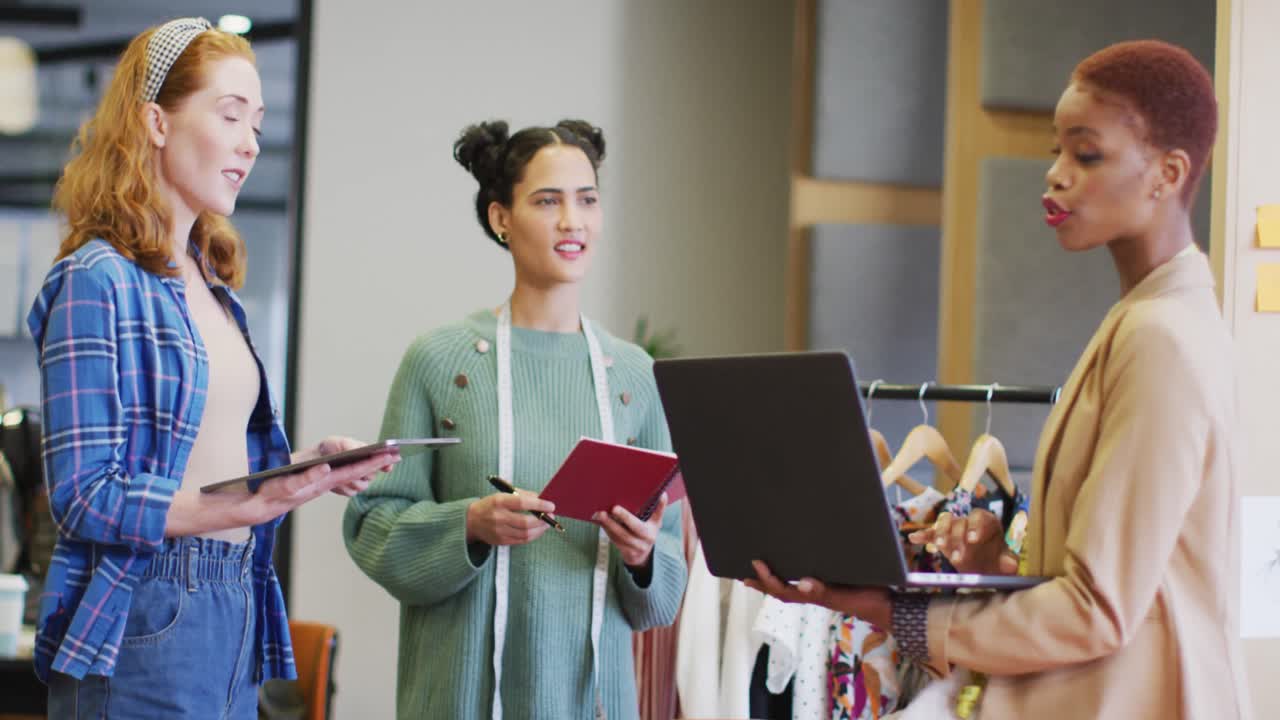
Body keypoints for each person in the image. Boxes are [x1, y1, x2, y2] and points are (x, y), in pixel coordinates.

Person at [749, 40, 1251, 719]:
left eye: (1087, 153)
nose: (1055, 176)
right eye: (1055, 151)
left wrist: (892, 612)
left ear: (1168, 173)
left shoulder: (1160, 336)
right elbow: (1117, 583)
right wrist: (1002, 561)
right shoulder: (1145, 318)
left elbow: (1097, 610)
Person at [27, 18, 398, 717]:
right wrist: (230, 506)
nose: (250, 142)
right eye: (230, 116)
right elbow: (81, 495)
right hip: (142, 610)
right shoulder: (95, 279)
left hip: (236, 598)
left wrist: (304, 467)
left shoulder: (216, 286)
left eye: (257, 123)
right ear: (156, 122)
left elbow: (211, 455)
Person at [344, 119, 687, 719]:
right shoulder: (440, 360)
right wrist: (470, 524)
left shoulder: (633, 376)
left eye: (587, 200)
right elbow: (374, 527)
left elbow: (665, 593)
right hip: (459, 702)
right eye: (547, 201)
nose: (572, 221)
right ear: (501, 217)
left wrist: (642, 556)